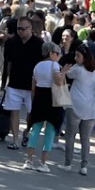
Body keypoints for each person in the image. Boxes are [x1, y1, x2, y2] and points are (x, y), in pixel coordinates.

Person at [0, 13, 42, 150]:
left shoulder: (39, 44)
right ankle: (15, 140)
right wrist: (4, 83)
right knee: (14, 112)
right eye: (19, 28)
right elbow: (8, 64)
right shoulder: (11, 43)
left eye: (24, 28)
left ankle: (26, 132)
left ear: (31, 28)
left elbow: (42, 66)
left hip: (32, 85)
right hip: (14, 83)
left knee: (32, 113)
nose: (21, 31)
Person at [62, 41, 95, 173]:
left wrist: (65, 69)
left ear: (84, 57)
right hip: (91, 109)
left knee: (70, 135)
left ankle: (68, 163)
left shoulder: (78, 69)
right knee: (85, 138)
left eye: (78, 56)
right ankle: (84, 166)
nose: (75, 58)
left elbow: (68, 74)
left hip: (74, 105)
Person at [24, 41, 63, 174]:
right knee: (50, 131)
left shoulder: (38, 66)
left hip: (39, 97)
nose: (59, 56)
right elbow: (58, 81)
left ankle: (29, 160)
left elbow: (33, 86)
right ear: (51, 53)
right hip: (52, 99)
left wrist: (33, 100)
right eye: (57, 53)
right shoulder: (55, 65)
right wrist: (63, 73)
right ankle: (43, 163)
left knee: (35, 129)